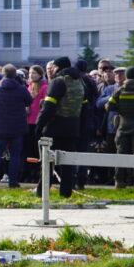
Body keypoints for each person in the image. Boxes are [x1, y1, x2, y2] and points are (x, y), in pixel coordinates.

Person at [35, 57, 84, 198]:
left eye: (53, 67)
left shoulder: (58, 81)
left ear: (58, 67)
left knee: (47, 162)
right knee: (68, 163)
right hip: (73, 127)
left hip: (55, 127)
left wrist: (39, 126)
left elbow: (49, 107)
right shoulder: (79, 81)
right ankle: (66, 193)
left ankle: (42, 192)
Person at [0, 64, 32, 188]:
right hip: (17, 127)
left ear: (3, 74)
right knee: (15, 154)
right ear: (15, 75)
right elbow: (29, 101)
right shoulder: (21, 89)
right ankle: (13, 181)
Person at [107, 67, 134, 188]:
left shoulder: (119, 90)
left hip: (122, 125)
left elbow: (109, 106)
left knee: (121, 153)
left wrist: (120, 110)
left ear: (126, 76)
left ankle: (119, 182)